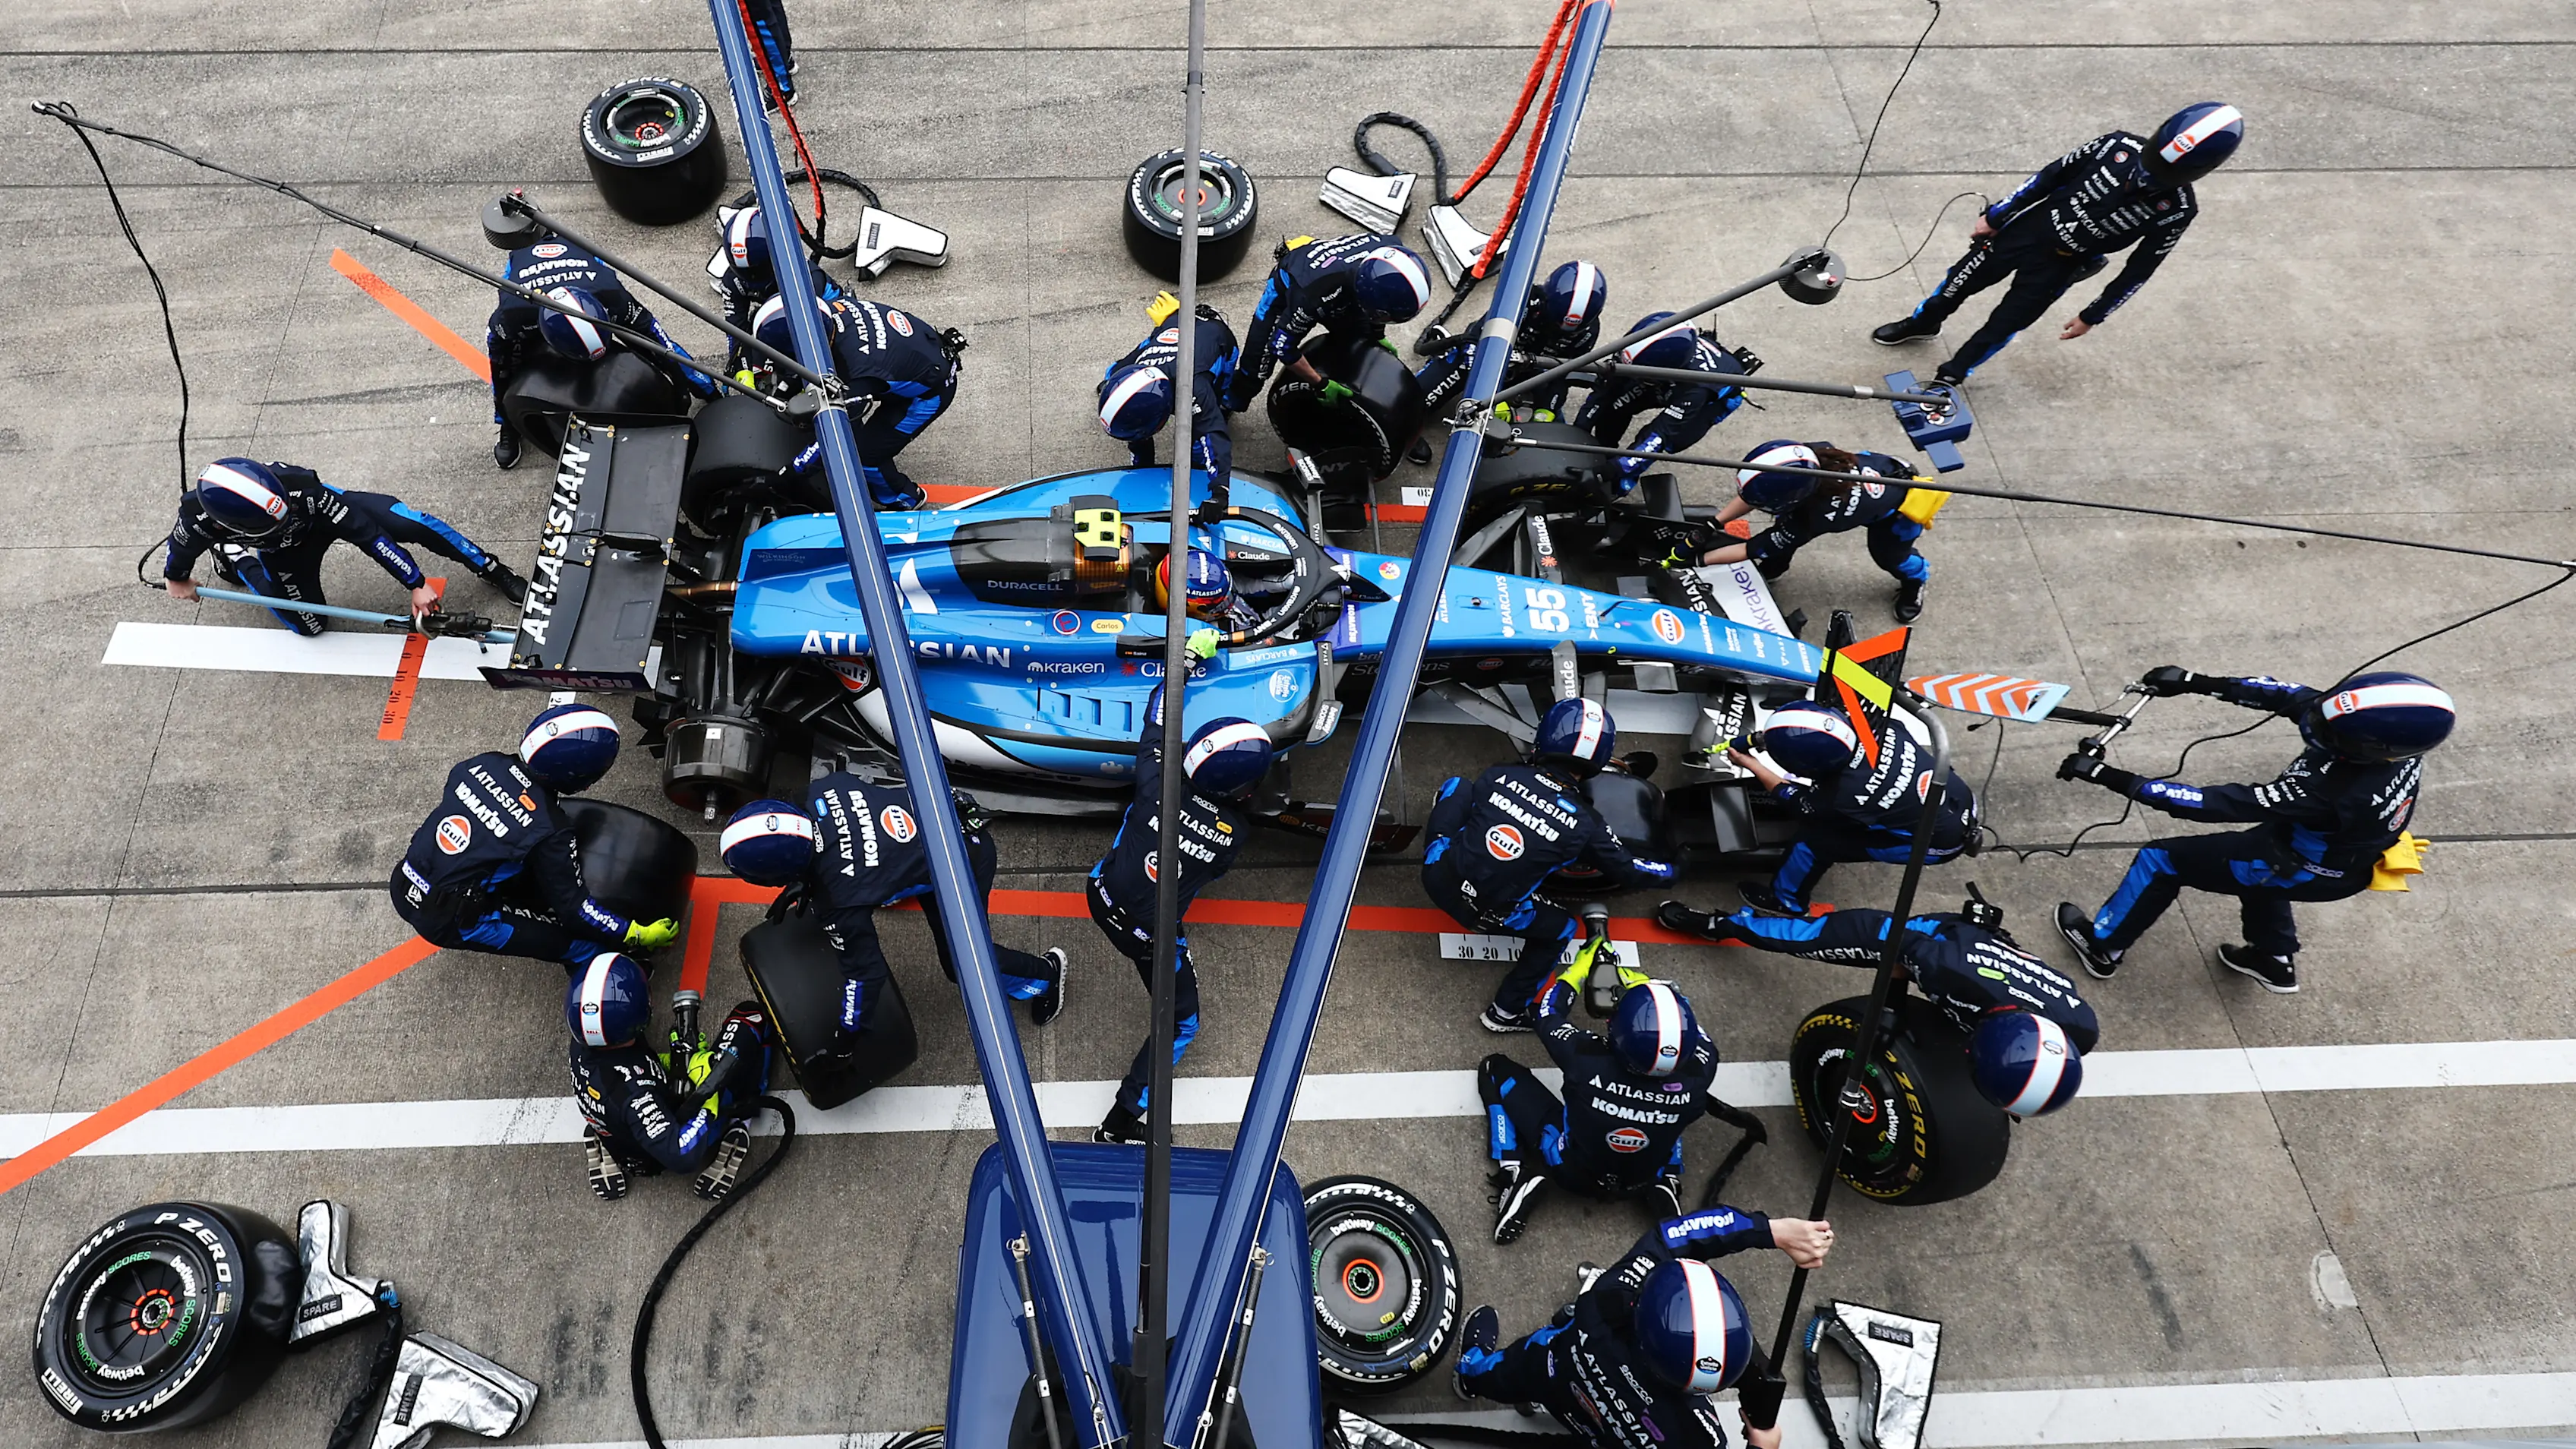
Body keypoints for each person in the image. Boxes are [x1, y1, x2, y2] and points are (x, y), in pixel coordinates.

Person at [2056, 668, 2452, 994]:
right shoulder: (2376, 734)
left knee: (2161, 859)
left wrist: (2108, 776)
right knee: (2255, 867)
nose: (2314, 720)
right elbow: (2287, 695)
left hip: (2300, 865)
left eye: (2330, 731)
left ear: (2376, 748)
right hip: (2338, 859)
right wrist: (2195, 681)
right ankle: (2273, 959)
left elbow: (2210, 804)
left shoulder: (2327, 791)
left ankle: (2103, 946)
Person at [1871, 103, 2245, 386]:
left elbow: (2140, 270)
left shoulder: (2176, 210)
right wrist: (1998, 215)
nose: (2147, 175)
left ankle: (1951, 376)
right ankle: (1923, 323)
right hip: (2023, 232)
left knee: (2004, 323)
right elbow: (2047, 178)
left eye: (2164, 174)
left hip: (2061, 265)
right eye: (2151, 162)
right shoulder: (2113, 145)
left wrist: (2093, 315)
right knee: (1956, 285)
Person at [1662, 892, 2095, 1118]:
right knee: (1808, 937)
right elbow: (1898, 962)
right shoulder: (1944, 969)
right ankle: (1721, 924)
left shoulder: (2082, 1028)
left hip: (1993, 960)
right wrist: (1888, 1011)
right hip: (1931, 939)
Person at [718, 775, 1065, 1050]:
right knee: (883, 877)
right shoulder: (820, 789)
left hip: (964, 864)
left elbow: (865, 976)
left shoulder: (840, 902)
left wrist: (847, 1038)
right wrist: (807, 881)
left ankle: (1045, 975)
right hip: (947, 812)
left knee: (962, 964)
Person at [1456, 1205, 1836, 1449]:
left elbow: (1678, 1234)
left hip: (1553, 1368)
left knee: (1508, 1367)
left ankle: (1469, 1376)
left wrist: (1771, 1230)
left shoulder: (1605, 1303)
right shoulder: (1701, 1438)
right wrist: (1764, 1445)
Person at [1422, 699, 1677, 1033]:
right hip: (1485, 914)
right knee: (1564, 929)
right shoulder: (1588, 825)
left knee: (1458, 786)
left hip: (1435, 874)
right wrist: (1674, 869)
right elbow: (1629, 870)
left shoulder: (1500, 774)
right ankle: (1505, 1013)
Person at [1086, 698, 1272, 1144]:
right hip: (1148, 937)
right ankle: (1120, 1123)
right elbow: (1213, 867)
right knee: (1182, 1023)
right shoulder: (1234, 834)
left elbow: (1158, 716)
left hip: (1099, 893)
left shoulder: (1156, 776)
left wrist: (1185, 658)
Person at [390, 705, 680, 968]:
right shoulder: (550, 829)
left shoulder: (480, 763)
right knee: (583, 947)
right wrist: (635, 933)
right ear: (579, 777)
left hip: (403, 882)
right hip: (448, 921)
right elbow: (576, 910)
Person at [1482, 971, 1730, 1242]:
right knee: (1676, 1114)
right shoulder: (1702, 1070)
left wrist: (1576, 974)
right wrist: (1673, 994)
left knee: (1494, 1069)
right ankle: (1666, 1180)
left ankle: (1513, 1171)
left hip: (1570, 1171)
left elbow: (1548, 1014)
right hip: (1641, 1179)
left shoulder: (1586, 1058)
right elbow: (1700, 1038)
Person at [162, 458, 523, 635]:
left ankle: (491, 568)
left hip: (326, 514)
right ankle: (237, 558)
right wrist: (177, 578)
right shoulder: (195, 522)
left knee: (412, 523)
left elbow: (369, 535)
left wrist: (415, 582)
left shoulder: (303, 489)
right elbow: (178, 561)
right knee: (310, 626)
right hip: (284, 552)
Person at [1725, 699, 1975, 917]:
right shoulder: (1881, 725)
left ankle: (1787, 902)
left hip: (1938, 843)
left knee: (1814, 841)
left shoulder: (1843, 795)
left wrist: (1751, 764)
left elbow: (1798, 803)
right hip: (1960, 798)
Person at [487, 232, 712, 469]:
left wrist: (701, 388)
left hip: (581, 264)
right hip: (528, 286)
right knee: (504, 368)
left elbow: (661, 343)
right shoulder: (511, 316)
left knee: (651, 344)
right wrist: (507, 412)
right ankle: (507, 427)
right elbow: (498, 365)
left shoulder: (614, 296)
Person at [565, 953, 773, 1201]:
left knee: (620, 1113)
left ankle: (604, 1140)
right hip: (658, 1148)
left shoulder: (585, 1038)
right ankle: (740, 1122)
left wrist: (678, 1061)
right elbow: (681, 1153)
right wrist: (708, 1091)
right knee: (751, 1018)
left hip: (619, 1131)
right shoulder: (637, 1096)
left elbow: (637, 1068)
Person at [1675, 440, 1931, 623]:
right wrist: (1714, 523)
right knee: (1782, 534)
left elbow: (1750, 548)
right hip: (1881, 468)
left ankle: (1916, 579)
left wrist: (1698, 561)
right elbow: (1754, 496)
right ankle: (1775, 567)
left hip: (1898, 509)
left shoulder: (1813, 517)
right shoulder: (1807, 456)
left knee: (1889, 557)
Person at [762, 295, 965, 510]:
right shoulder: (824, 312)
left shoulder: (855, 375)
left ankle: (905, 499)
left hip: (929, 393)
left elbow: (834, 435)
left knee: (864, 455)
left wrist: (790, 473)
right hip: (907, 359)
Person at [1220, 232, 1432, 411]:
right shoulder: (1314, 293)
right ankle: (1227, 403)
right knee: (1256, 371)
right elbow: (1282, 346)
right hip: (1294, 282)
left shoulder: (1392, 249)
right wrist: (1320, 383)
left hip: (1342, 283)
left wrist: (1377, 335)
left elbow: (1377, 308)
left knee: (1363, 343)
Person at [1575, 313, 1750, 494]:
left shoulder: (1696, 391)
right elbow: (1606, 390)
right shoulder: (1642, 350)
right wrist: (1579, 431)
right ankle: (1605, 449)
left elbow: (1658, 438)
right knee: (1617, 404)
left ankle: (1620, 486)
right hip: (1664, 377)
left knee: (1670, 441)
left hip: (1712, 397)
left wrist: (1606, 473)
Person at [1416, 257, 1610, 419]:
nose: (1559, 331)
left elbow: (1563, 374)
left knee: (1550, 420)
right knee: (1419, 398)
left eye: (1570, 332)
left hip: (1535, 372)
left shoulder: (1589, 332)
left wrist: (1546, 410)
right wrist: (1490, 396)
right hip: (1489, 357)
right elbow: (1476, 339)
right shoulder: (1520, 300)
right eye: (1554, 323)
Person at [1097, 292, 1239, 501]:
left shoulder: (1193, 388)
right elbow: (1112, 373)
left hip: (1219, 341)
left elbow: (1213, 434)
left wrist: (1219, 491)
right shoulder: (1125, 370)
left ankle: (1200, 464)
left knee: (1204, 429)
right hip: (1173, 325)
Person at [708, 206, 845, 349]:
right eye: (744, 271)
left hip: (829, 310)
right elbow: (735, 331)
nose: (752, 277)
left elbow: (823, 335)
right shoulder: (732, 281)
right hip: (777, 303)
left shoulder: (805, 280)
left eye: (758, 270)